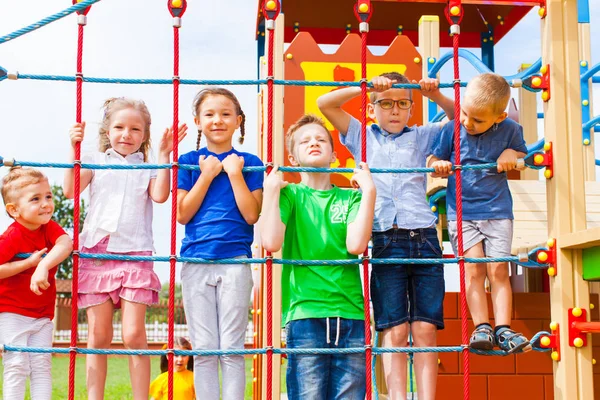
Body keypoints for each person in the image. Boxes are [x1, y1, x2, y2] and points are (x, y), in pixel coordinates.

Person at [317, 72, 454, 400]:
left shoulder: (421, 137)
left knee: (424, 329)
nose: (394, 110)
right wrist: (364, 86)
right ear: (372, 108)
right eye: (386, 103)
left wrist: (434, 95)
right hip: (384, 238)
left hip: (423, 236)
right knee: (393, 328)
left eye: (402, 104)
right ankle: (395, 396)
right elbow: (326, 104)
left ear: (411, 109)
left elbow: (457, 118)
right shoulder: (361, 136)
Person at [63, 97, 187, 400]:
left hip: (135, 251)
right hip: (97, 251)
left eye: (135, 129)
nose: (126, 134)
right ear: (107, 130)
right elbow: (70, 190)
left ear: (144, 135)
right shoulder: (95, 160)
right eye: (119, 127)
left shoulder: (148, 167)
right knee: (99, 335)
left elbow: (160, 196)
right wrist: (73, 149)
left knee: (133, 334)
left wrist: (163, 154)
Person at [260, 114, 376, 399]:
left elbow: (356, 244)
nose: (314, 142)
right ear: (293, 158)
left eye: (321, 139)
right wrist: (271, 192)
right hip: (305, 314)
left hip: (351, 314)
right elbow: (271, 241)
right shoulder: (291, 196)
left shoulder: (351, 198)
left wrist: (370, 191)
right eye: (305, 140)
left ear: (334, 156)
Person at [429, 72, 531, 354]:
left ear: (498, 117)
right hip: (463, 213)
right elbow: (433, 157)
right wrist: (438, 165)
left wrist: (512, 155)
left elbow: (523, 155)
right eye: (464, 113)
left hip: (498, 210)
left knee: (498, 269)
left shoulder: (510, 130)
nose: (467, 123)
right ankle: (481, 326)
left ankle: (503, 328)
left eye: (477, 120)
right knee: (473, 270)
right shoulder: (452, 128)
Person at [177, 87, 263, 400]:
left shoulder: (250, 162)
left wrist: (235, 174)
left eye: (226, 114)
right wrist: (207, 175)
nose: (218, 120)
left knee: (231, 347)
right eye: (210, 114)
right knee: (204, 349)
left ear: (238, 120)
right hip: (197, 261)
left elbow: (252, 214)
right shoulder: (188, 161)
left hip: (235, 262)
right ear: (198, 121)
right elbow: (183, 214)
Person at [0, 167, 73, 400]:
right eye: (36, 199)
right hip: (12, 313)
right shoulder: (12, 236)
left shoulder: (48, 228)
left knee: (42, 365)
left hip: (42, 315)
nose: (46, 204)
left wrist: (42, 266)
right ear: (14, 210)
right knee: (17, 364)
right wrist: (28, 264)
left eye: (48, 196)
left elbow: (65, 243)